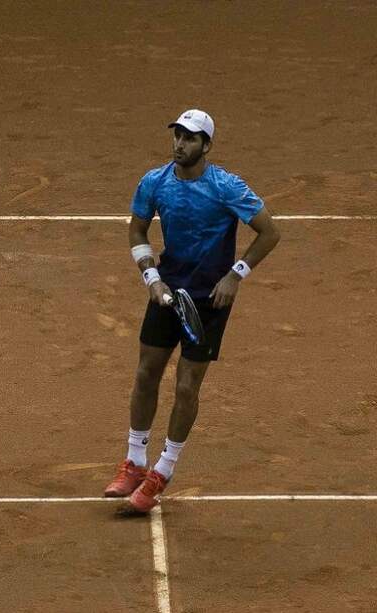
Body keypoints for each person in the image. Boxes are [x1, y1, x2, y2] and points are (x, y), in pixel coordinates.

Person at [104, 109, 281, 513]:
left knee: (186, 387)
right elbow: (137, 230)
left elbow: (270, 231)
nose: (180, 144)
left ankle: (162, 471)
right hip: (167, 291)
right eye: (178, 136)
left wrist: (235, 275)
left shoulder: (226, 187)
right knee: (146, 372)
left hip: (209, 302)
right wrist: (153, 279)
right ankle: (134, 462)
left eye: (190, 138)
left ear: (206, 146)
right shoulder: (155, 182)